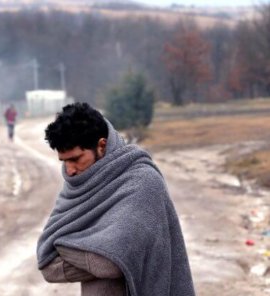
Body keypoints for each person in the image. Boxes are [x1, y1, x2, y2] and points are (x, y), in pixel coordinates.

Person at [37, 102, 195, 296]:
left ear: (102, 145)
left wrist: (61, 244)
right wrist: (99, 253)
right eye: (64, 161)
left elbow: (109, 264)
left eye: (76, 159)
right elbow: (48, 266)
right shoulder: (77, 185)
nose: (69, 170)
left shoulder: (143, 181)